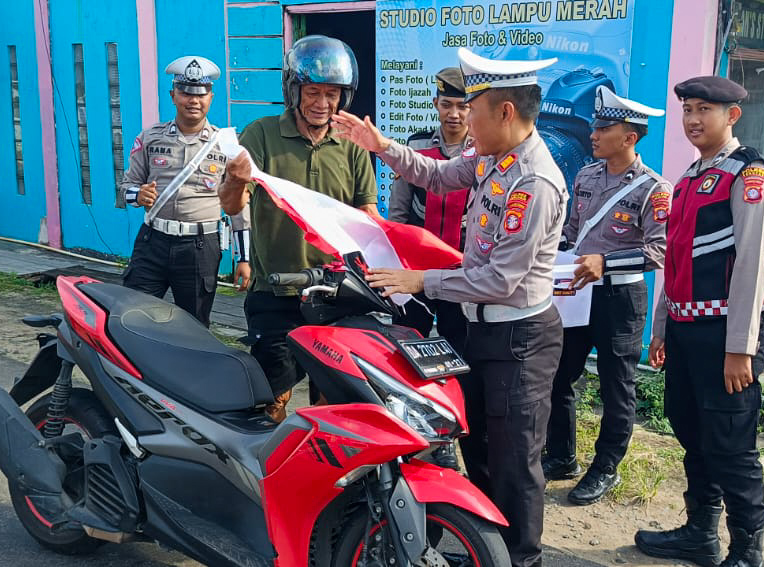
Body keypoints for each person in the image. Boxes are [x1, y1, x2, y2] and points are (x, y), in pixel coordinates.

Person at [333, 47, 567, 567]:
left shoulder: (534, 181)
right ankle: (489, 549)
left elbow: (500, 279)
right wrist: (382, 145)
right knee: (479, 445)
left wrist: (421, 279)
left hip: (520, 339)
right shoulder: (493, 156)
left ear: (504, 112)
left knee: (515, 461)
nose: (464, 120)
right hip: (482, 332)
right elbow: (436, 175)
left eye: (473, 108)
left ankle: (520, 558)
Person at [634, 76, 764, 567]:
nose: (694, 120)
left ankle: (747, 551)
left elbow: (752, 265)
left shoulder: (749, 176)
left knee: (730, 444)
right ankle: (700, 532)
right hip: (686, 330)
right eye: (688, 110)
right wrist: (662, 328)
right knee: (692, 432)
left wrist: (740, 348)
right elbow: (675, 261)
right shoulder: (692, 176)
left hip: (726, 335)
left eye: (705, 110)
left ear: (732, 116)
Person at [218, 35, 378, 422]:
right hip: (276, 290)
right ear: (294, 90)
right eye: (313, 92)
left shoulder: (350, 143)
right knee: (272, 399)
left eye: (332, 94)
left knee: (335, 402)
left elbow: (367, 213)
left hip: (336, 292)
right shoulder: (261, 134)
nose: (323, 104)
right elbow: (231, 204)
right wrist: (237, 179)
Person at [544, 85, 669, 505]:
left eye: (603, 127)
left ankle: (606, 468)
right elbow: (574, 229)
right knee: (561, 376)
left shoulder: (655, 189)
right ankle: (562, 456)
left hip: (620, 300)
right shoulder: (586, 175)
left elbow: (659, 249)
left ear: (629, 137)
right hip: (579, 294)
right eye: (594, 126)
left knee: (618, 386)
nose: (593, 134)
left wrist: (606, 262)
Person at [385, 66, 473, 471]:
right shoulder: (417, 145)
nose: (453, 114)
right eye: (447, 104)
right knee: (409, 350)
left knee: (457, 357)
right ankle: (408, 428)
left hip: (462, 276)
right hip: (416, 274)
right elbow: (400, 209)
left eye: (461, 106)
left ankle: (452, 437)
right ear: (436, 105)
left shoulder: (482, 152)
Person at [120, 56, 242, 327]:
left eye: (200, 94)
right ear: (173, 95)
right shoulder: (150, 138)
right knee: (132, 315)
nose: (193, 101)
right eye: (186, 93)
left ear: (210, 97)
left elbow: (239, 205)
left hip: (200, 246)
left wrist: (243, 259)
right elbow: (125, 187)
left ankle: (193, 370)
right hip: (154, 241)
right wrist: (138, 195)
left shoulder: (227, 145)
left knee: (194, 324)